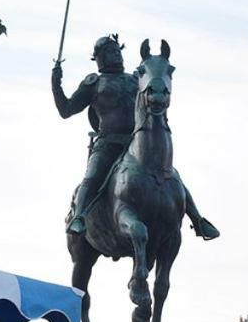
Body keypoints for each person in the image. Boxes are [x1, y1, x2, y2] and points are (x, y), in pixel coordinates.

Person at [52, 34, 218, 241]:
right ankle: (79, 218)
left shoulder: (135, 79)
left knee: (171, 175)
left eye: (117, 51)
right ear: (99, 58)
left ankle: (198, 219)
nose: (115, 56)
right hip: (108, 143)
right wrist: (56, 84)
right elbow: (66, 110)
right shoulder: (94, 83)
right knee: (92, 176)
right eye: (109, 52)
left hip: (137, 143)